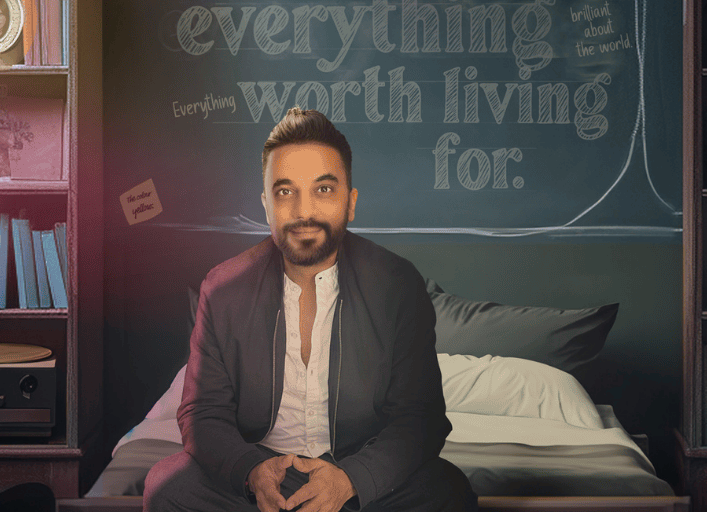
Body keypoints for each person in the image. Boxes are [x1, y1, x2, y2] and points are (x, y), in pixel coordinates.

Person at [145, 108, 475, 512]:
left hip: (358, 476)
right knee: (166, 486)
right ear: (266, 204)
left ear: (350, 202)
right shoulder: (223, 288)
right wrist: (251, 472)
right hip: (258, 476)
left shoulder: (398, 285)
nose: (303, 212)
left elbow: (420, 417)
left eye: (323, 190)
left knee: (448, 490)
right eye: (285, 192)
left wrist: (351, 480)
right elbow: (202, 412)